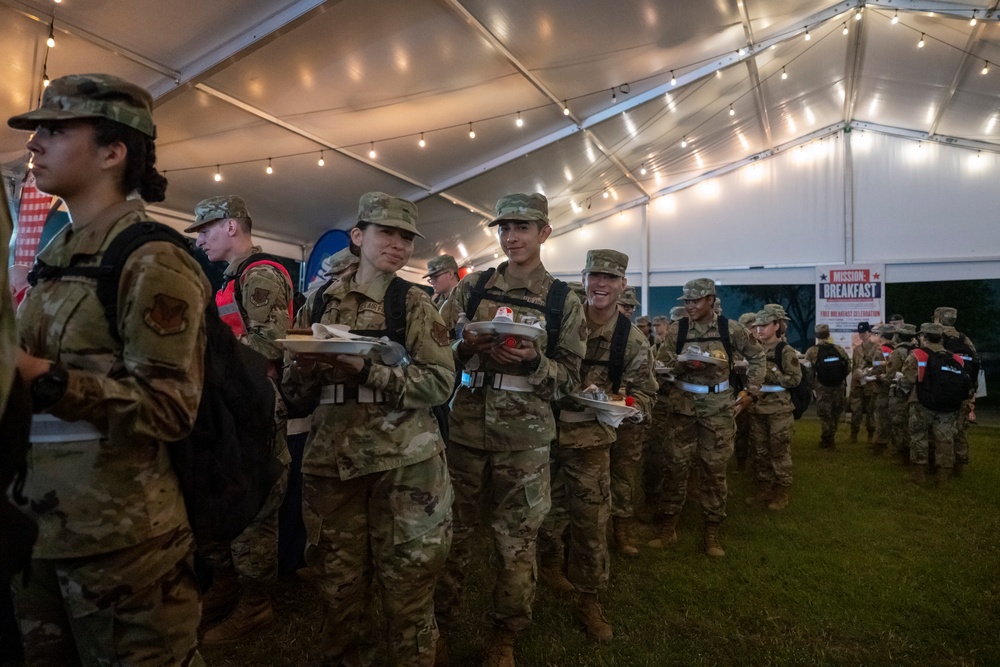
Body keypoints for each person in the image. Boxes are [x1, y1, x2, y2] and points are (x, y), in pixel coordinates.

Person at [9, 73, 208, 666]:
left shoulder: (152, 258)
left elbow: (172, 408)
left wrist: (43, 378)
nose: (34, 144)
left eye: (54, 129)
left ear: (112, 151)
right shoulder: (58, 256)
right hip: (40, 527)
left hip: (125, 546)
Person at [282, 192, 455, 666]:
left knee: (409, 584)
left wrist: (367, 371)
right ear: (358, 237)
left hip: (404, 464)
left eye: (405, 237)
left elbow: (440, 382)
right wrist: (302, 366)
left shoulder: (413, 304)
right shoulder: (318, 302)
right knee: (338, 583)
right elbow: (296, 391)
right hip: (332, 460)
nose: (397, 245)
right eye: (386, 233)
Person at [435, 193, 585, 666]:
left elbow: (571, 380)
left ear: (544, 232)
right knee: (450, 533)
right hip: (465, 432)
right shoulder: (473, 288)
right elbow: (436, 349)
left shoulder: (563, 300)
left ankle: (505, 636)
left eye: (522, 227)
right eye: (504, 228)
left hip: (525, 442)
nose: (511, 236)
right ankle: (439, 623)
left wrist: (535, 360)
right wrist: (467, 346)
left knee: (516, 541)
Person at [185, 194, 294, 642]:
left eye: (207, 229)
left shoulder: (260, 273)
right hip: (231, 405)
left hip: (253, 408)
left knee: (253, 506)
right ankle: (226, 586)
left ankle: (255, 604)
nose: (200, 240)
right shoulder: (233, 278)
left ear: (232, 227)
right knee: (221, 500)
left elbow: (271, 343)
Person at [537, 249, 656, 641]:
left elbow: (645, 397)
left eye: (610, 278)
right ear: (584, 279)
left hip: (591, 442)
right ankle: (551, 565)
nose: (601, 284)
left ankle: (590, 601)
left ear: (622, 285)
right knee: (542, 515)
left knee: (590, 525)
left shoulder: (632, 341)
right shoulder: (559, 322)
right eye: (595, 276)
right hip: (546, 435)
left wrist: (625, 408)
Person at [649, 278, 764, 558]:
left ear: (711, 300)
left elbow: (759, 357)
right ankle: (669, 527)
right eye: (686, 301)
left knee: (713, 469)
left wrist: (752, 391)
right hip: (683, 405)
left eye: (695, 300)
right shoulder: (679, 329)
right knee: (675, 466)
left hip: (717, 406)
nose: (690, 306)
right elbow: (661, 365)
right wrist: (681, 364)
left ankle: (712, 531)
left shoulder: (730, 329)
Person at [745, 307, 802, 510]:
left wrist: (772, 372)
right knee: (760, 451)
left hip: (778, 409)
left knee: (779, 451)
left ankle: (781, 493)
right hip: (757, 407)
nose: (759, 330)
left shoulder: (784, 351)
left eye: (764, 325)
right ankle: (764, 489)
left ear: (777, 325)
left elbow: (795, 379)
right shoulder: (754, 350)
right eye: (756, 326)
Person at [898, 323, 966, 486]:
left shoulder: (917, 355)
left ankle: (918, 474)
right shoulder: (956, 358)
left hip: (922, 403)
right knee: (945, 439)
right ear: (941, 338)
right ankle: (943, 477)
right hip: (948, 405)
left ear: (924, 337)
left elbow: (908, 379)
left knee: (919, 436)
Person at [934, 307, 979, 476]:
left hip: (943, 391)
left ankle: (940, 466)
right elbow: (976, 364)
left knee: (941, 428)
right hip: (963, 390)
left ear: (938, 318)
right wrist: (972, 391)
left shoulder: (936, 337)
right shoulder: (964, 339)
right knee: (960, 429)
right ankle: (960, 465)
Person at [804, 324, 851, 450]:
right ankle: (831, 437)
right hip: (838, 385)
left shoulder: (812, 351)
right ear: (828, 334)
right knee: (835, 412)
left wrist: (812, 385)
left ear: (816, 335)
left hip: (822, 386)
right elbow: (848, 366)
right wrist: (840, 377)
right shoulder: (839, 349)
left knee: (825, 414)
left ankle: (827, 439)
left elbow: (808, 371)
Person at [886, 323, 918, 464]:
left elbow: (890, 375)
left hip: (899, 393)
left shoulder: (897, 352)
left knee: (898, 423)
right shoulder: (918, 351)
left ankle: (902, 454)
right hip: (916, 393)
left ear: (898, 336)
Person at [869, 324, 897, 456]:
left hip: (882, 387)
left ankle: (881, 444)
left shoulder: (880, 350)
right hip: (896, 387)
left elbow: (877, 369)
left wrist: (870, 374)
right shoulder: (896, 349)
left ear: (881, 336)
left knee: (881, 416)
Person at [850, 321, 878, 444]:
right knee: (856, 410)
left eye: (864, 332)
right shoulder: (856, 349)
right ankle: (854, 434)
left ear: (869, 333)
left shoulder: (876, 348)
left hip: (870, 383)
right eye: (860, 332)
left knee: (870, 410)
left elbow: (878, 365)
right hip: (858, 384)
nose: (862, 335)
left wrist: (868, 372)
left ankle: (871, 435)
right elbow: (854, 366)